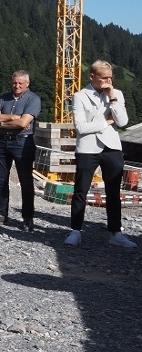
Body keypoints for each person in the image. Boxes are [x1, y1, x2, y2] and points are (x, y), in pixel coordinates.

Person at [66, 60, 135, 249]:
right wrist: (105, 123)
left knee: (114, 192)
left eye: (110, 77)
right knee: (81, 190)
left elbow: (122, 122)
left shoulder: (117, 94)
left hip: (112, 147)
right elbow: (80, 127)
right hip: (88, 148)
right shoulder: (80, 96)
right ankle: (75, 230)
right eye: (104, 77)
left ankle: (116, 232)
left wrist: (112, 97)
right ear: (92, 77)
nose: (108, 81)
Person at [0, 70, 41, 232]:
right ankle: (1, 213)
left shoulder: (34, 99)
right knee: (1, 180)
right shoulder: (4, 97)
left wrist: (2, 121)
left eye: (20, 84)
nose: (16, 86)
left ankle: (28, 218)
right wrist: (14, 118)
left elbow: (23, 123)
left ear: (27, 84)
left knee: (26, 182)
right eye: (14, 83)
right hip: (1, 142)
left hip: (22, 142)